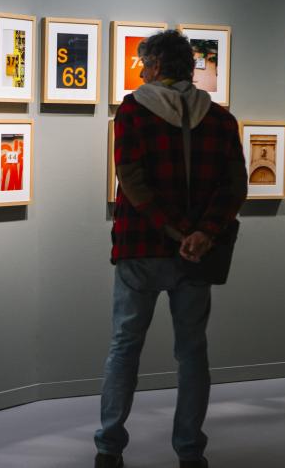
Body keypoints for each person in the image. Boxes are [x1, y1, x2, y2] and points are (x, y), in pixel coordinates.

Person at [94, 30, 247, 468]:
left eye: (145, 63)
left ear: (157, 66)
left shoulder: (133, 111)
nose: (142, 71)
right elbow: (235, 185)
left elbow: (132, 180)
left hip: (140, 249)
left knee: (124, 347)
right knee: (192, 352)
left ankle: (109, 448)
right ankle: (189, 451)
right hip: (196, 254)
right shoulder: (219, 119)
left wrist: (173, 230)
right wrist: (203, 233)